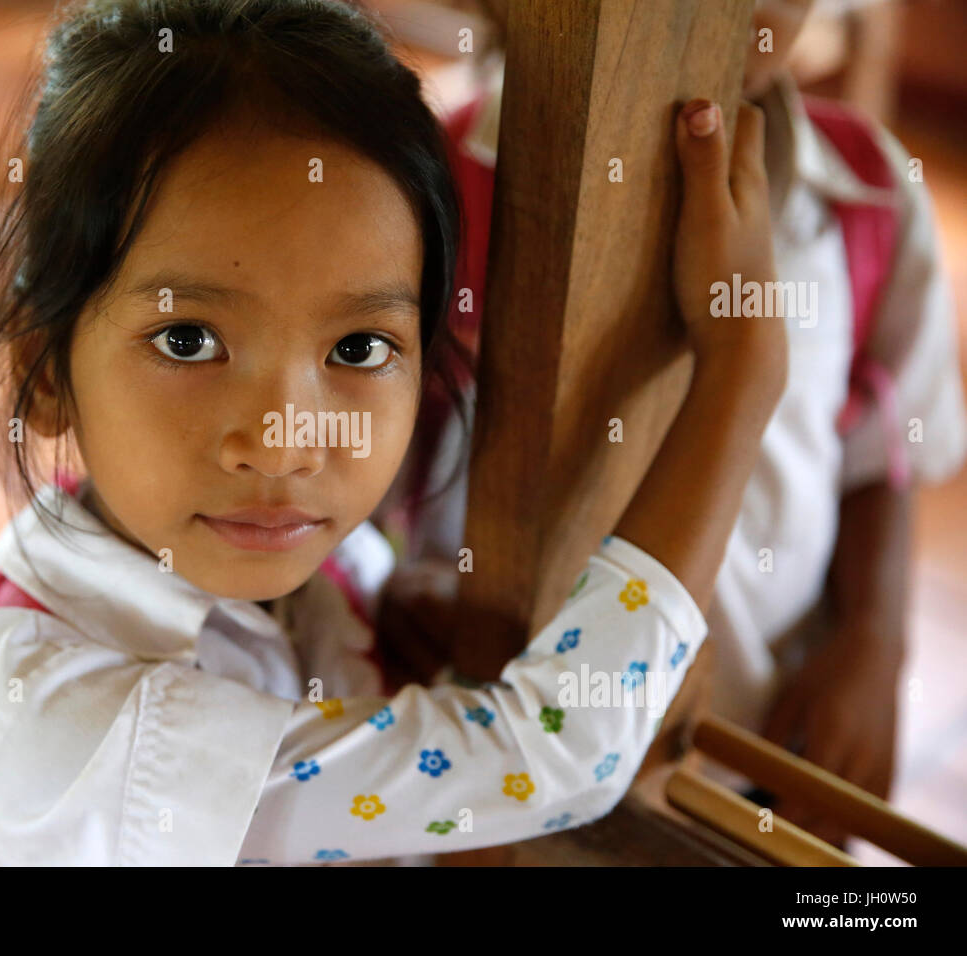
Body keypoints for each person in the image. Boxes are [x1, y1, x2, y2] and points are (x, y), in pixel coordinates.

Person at [0, 0, 784, 865]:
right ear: (47, 374)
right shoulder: (81, 730)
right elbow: (554, 755)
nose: (286, 442)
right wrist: (741, 375)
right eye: (188, 340)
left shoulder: (314, 564)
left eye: (359, 347)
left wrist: (392, 626)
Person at [378, 0, 967, 848]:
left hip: (753, 739)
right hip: (492, 740)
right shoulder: (433, 185)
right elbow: (365, 452)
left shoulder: (865, 197)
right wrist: (399, 580)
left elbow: (881, 457)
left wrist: (875, 648)